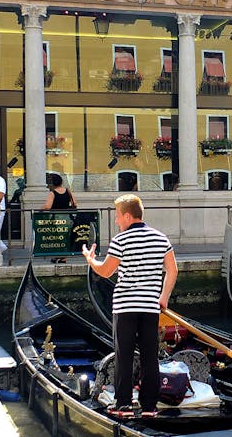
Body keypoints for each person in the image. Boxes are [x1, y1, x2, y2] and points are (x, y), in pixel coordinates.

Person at [82, 194, 177, 418]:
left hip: (125, 306)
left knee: (123, 355)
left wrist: (90, 259)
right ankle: (149, 407)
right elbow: (172, 270)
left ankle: (123, 405)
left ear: (127, 216)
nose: (116, 221)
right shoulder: (161, 238)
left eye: (117, 217)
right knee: (149, 357)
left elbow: (106, 271)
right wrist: (163, 297)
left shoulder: (120, 240)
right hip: (150, 306)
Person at [42, 173, 77, 264]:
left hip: (56, 217)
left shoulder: (52, 193)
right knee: (65, 236)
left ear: (52, 184)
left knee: (57, 237)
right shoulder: (68, 191)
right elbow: (75, 204)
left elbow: (48, 207)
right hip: (67, 217)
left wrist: (42, 207)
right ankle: (63, 257)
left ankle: (58, 255)